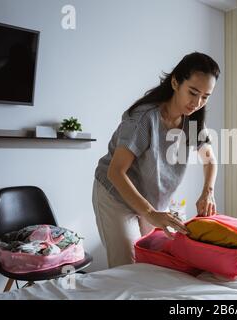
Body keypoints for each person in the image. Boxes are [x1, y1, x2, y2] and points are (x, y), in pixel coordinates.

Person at [92, 52, 220, 268]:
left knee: (153, 263)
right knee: (127, 266)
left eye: (205, 97)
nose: (197, 103)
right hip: (115, 195)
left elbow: (209, 160)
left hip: (151, 198)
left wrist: (208, 191)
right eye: (193, 92)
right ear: (175, 82)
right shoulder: (144, 118)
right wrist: (150, 213)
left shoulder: (193, 121)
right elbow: (116, 172)